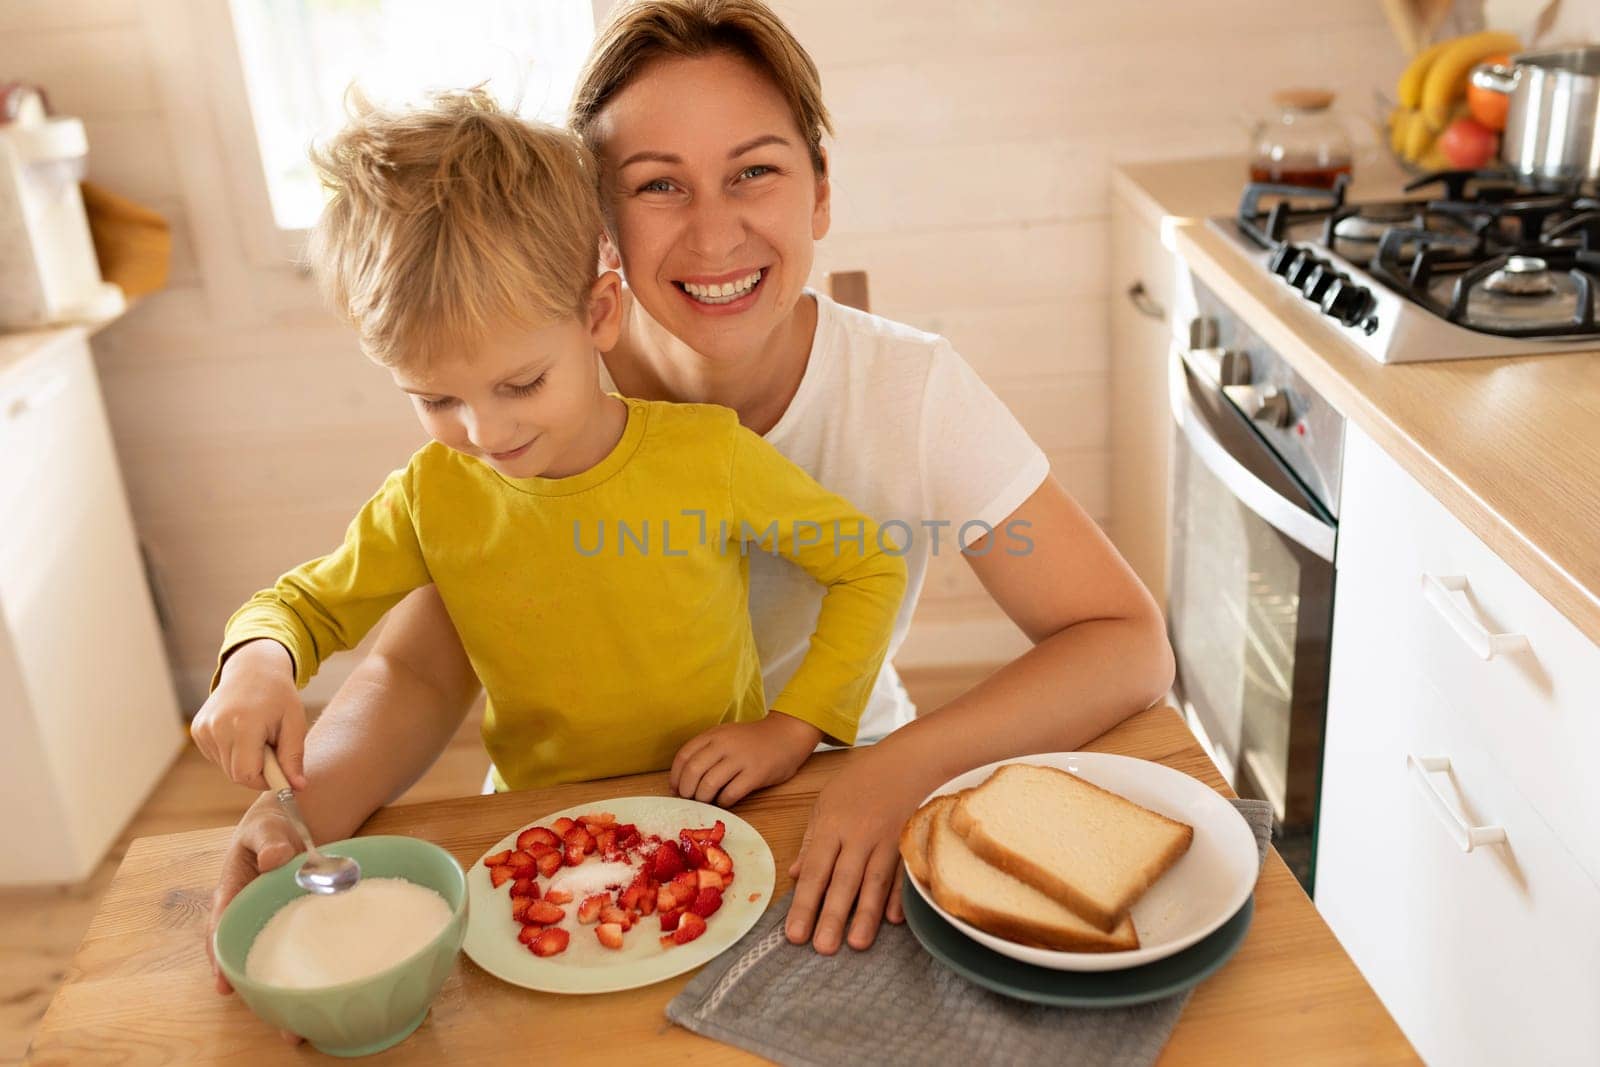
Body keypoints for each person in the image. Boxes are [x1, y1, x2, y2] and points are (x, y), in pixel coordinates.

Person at [208, 0, 1173, 991]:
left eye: (753, 170)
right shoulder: (522, 389)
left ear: (819, 194)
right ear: (598, 232)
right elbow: (415, 676)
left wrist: (895, 765)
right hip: (573, 830)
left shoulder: (910, 390)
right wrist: (297, 813)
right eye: (657, 184)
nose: (714, 232)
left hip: (832, 798)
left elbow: (1124, 640)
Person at [191, 89, 906, 854]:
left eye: (520, 383)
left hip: (719, 817)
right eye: (435, 397)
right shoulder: (432, 495)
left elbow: (868, 567)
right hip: (540, 832)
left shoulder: (708, 455)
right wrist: (257, 659)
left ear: (600, 313)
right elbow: (305, 606)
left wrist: (791, 731)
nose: (482, 430)